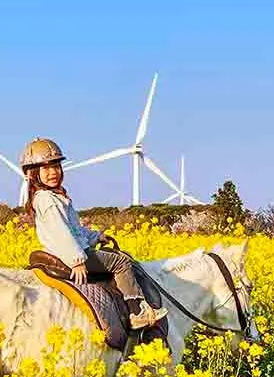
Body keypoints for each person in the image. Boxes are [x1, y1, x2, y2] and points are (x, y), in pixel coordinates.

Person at [21, 138, 167, 329]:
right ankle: (136, 311)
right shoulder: (47, 200)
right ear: (33, 174)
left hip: (71, 251)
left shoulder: (53, 197)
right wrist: (77, 260)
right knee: (121, 262)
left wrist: (96, 237)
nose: (53, 172)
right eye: (46, 168)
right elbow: (61, 234)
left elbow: (75, 231)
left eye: (56, 166)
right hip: (70, 255)